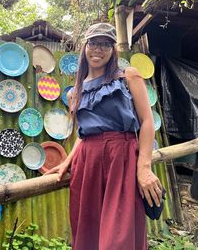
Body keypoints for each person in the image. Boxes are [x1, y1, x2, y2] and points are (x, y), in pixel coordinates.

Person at [45, 23, 163, 250]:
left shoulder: (129, 77)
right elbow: (83, 134)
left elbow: (147, 122)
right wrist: (67, 162)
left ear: (113, 50)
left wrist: (144, 167)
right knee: (88, 234)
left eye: (105, 44)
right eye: (93, 43)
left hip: (122, 161)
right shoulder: (74, 92)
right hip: (87, 165)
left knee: (119, 238)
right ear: (85, 47)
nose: (98, 49)